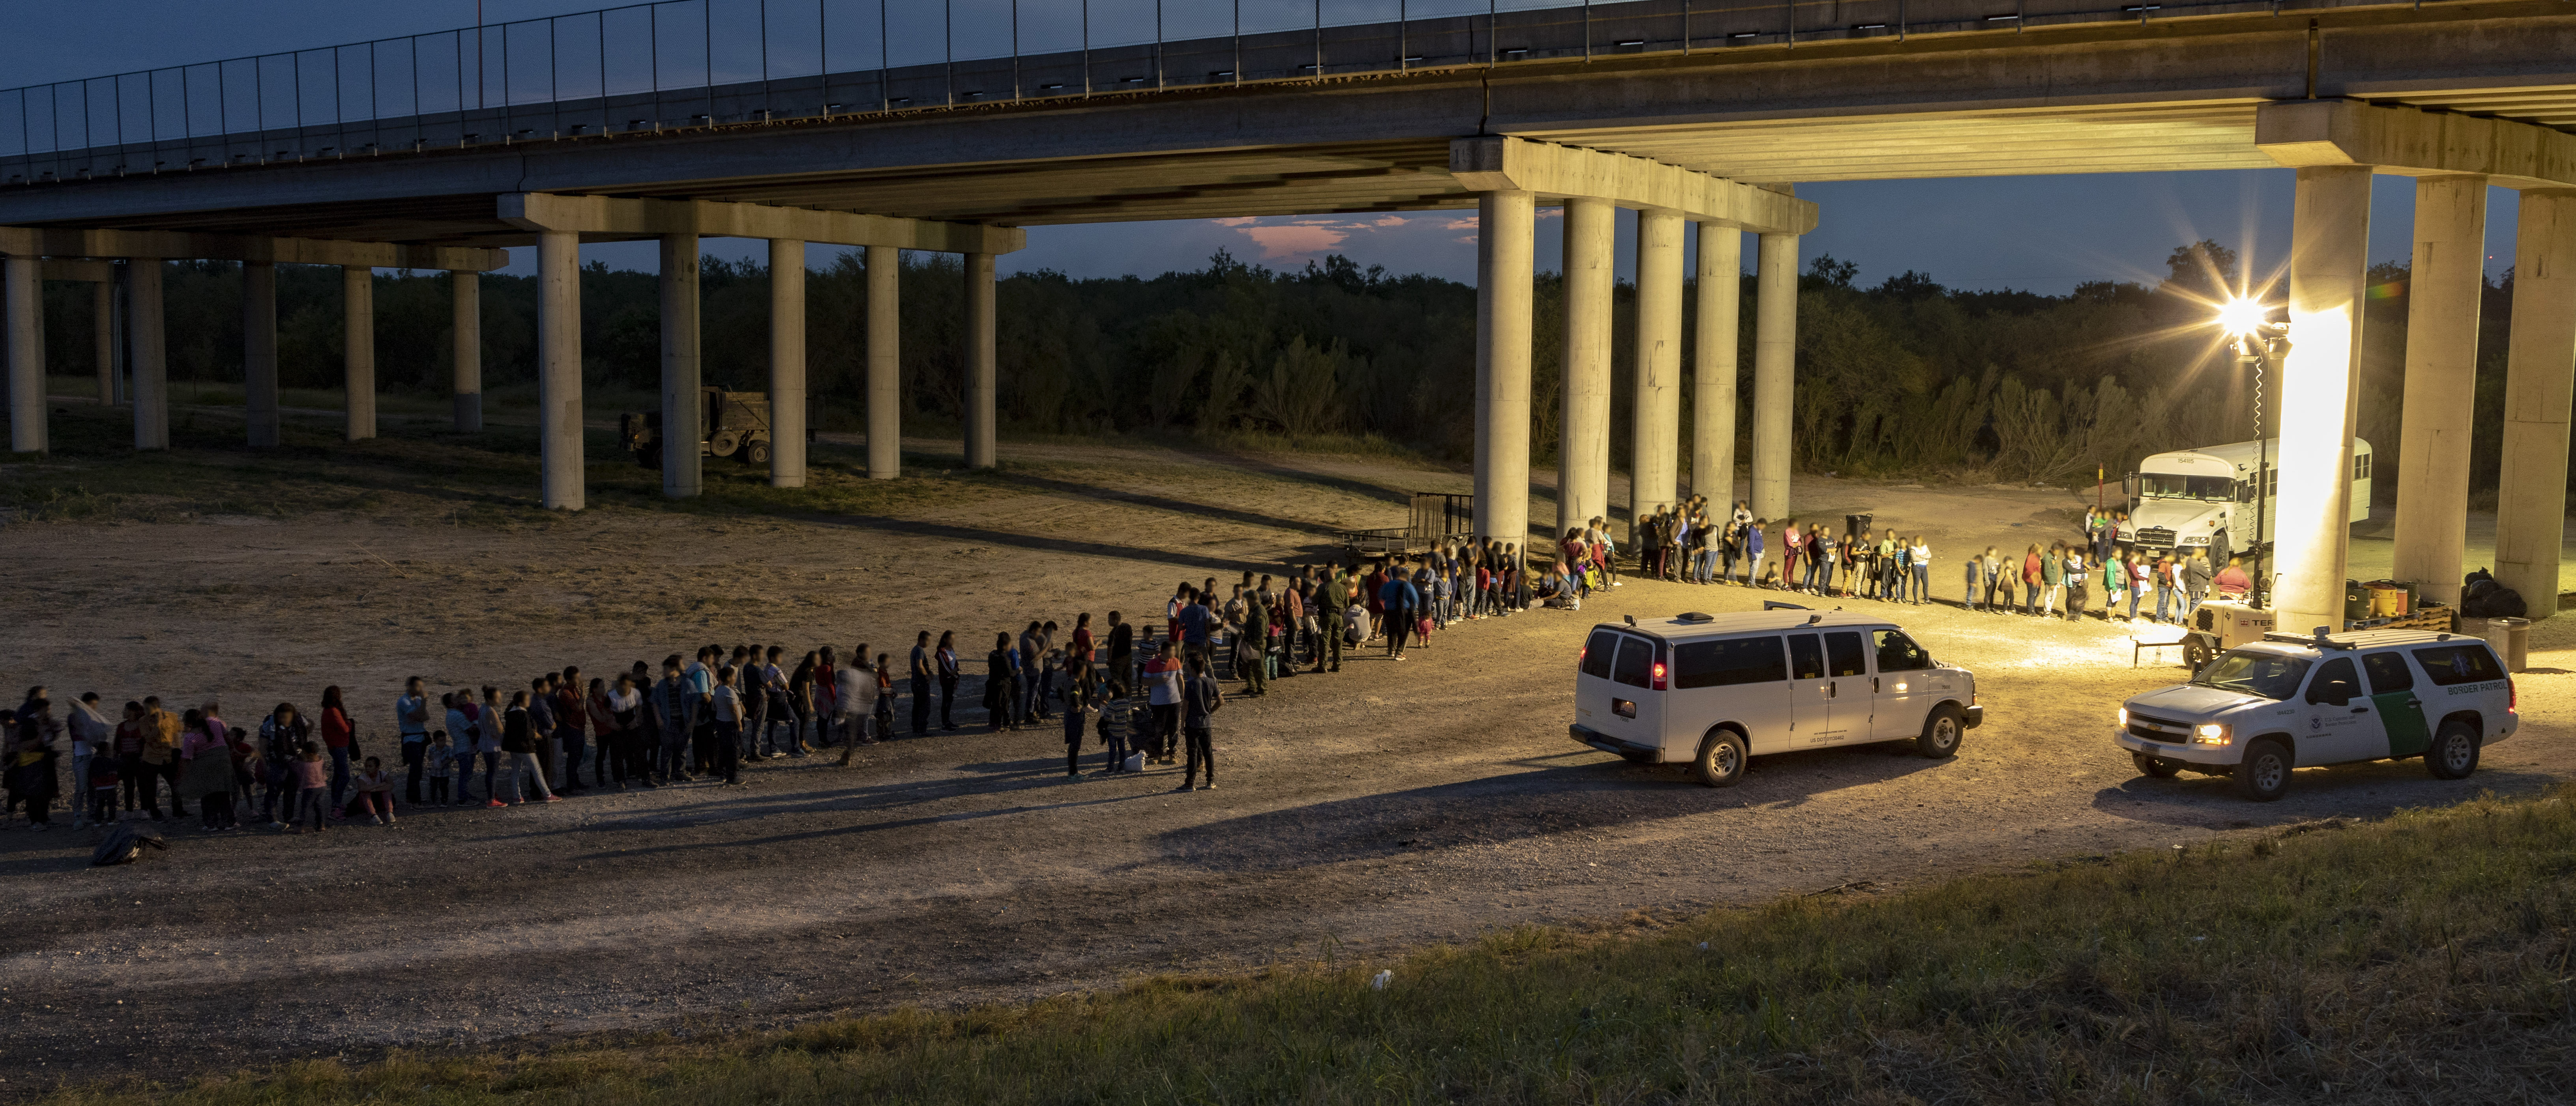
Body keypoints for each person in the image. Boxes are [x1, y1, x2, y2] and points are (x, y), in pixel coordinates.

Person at [7, 690, 62, 830]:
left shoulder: (47, 722)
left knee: (47, 792)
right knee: (34, 792)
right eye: (46, 710)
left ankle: (44, 818)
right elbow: (26, 746)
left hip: (46, 761)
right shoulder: (29, 724)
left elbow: (48, 741)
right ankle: (35, 822)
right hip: (33, 763)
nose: (49, 712)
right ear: (38, 710)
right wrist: (40, 736)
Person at [176, 707, 235, 831]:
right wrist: (232, 750)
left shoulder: (191, 738)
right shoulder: (215, 723)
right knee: (223, 794)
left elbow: (186, 759)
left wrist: (182, 776)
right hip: (223, 763)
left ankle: (211, 824)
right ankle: (229, 823)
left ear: (188, 723)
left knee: (208, 796)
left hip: (205, 767)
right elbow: (227, 738)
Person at [500, 690, 557, 804]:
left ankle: (517, 797)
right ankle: (548, 795)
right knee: (537, 771)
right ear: (522, 702)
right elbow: (526, 733)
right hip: (525, 747)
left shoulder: (510, 713)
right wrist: (536, 735)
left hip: (513, 747)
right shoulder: (523, 714)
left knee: (516, 772)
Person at [258, 702, 311, 826]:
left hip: (295, 761)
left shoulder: (299, 721)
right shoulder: (269, 725)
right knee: (274, 791)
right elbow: (263, 746)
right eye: (281, 717)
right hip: (277, 763)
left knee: (292, 791)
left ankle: (289, 816)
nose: (283, 720)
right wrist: (264, 764)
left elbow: (308, 728)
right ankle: (273, 820)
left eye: (286, 718)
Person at [1177, 654, 1222, 792]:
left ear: (1193, 669)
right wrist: (1210, 711)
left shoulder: (1191, 685)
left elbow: (1185, 707)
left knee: (1192, 754)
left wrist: (1182, 724)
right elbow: (1221, 701)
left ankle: (1190, 783)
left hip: (1193, 724)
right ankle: (1210, 781)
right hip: (1207, 723)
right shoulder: (1211, 682)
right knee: (1208, 753)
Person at [1144, 641, 1183, 764]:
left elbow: (1180, 679)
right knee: (1159, 729)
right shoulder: (1152, 664)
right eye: (1172, 651)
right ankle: (1158, 753)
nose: (1174, 653)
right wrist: (1157, 680)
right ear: (1164, 651)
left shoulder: (1176, 662)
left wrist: (1183, 696)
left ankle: (1172, 751)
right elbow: (1144, 681)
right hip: (1158, 703)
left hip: (1174, 701)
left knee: (1174, 728)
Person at [319, 686, 355, 816]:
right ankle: (336, 806)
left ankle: (336, 803)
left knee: (338, 775)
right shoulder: (333, 711)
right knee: (345, 776)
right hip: (339, 747)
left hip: (334, 746)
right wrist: (350, 725)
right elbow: (345, 729)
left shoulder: (327, 710)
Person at [395, 676, 431, 805]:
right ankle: (415, 800)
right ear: (409, 686)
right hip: (411, 739)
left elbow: (426, 717)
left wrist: (422, 705)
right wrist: (424, 702)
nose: (420, 689)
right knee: (416, 770)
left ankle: (412, 797)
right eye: (418, 686)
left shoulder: (418, 700)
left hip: (420, 738)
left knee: (418, 770)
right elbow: (418, 717)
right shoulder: (404, 701)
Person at [288, 742, 329, 833]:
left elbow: (296, 771)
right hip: (322, 787)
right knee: (319, 806)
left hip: (310, 788)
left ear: (309, 754)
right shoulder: (322, 760)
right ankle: (321, 825)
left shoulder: (305, 765)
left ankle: (301, 827)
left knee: (305, 808)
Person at [1379, 566, 1418, 660]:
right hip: (1404, 612)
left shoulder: (1389, 584)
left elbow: (1381, 596)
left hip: (1389, 611)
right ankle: (1399, 653)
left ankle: (1391, 651)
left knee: (1391, 631)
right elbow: (1415, 599)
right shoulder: (1408, 585)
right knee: (1403, 633)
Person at [350, 755, 397, 826]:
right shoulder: (363, 777)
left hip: (380, 802)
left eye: (370, 766)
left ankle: (390, 813)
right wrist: (380, 785)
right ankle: (373, 816)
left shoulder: (383, 774)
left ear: (377, 768)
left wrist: (376, 790)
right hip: (365, 804)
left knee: (386, 791)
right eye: (366, 766)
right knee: (365, 793)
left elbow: (391, 785)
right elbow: (362, 788)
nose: (367, 769)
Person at [424, 730, 456, 805]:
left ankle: (444, 801)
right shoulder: (432, 750)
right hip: (434, 773)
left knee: (444, 788)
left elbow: (451, 759)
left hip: (444, 773)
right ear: (435, 741)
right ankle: (433, 801)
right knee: (433, 788)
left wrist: (444, 763)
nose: (443, 743)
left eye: (445, 740)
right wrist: (431, 758)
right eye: (441, 741)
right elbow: (429, 758)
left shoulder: (448, 749)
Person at [2020, 545, 2044, 615]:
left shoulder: (2037, 556)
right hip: (2031, 580)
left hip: (2037, 579)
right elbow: (2029, 569)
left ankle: (2032, 608)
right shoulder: (2031, 557)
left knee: (2036, 594)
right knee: (2032, 595)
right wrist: (2034, 578)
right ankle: (2030, 611)